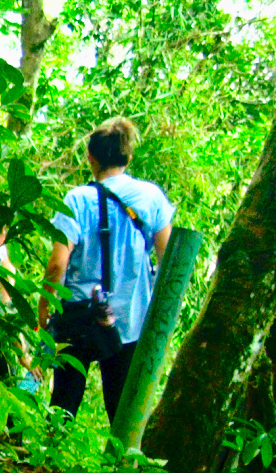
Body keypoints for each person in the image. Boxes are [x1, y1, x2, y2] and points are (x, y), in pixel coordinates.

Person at [36, 117, 174, 418]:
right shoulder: (152, 198)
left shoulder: (77, 199)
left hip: (78, 315)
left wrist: (44, 310)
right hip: (129, 319)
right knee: (121, 407)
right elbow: (170, 262)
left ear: (91, 158)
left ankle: (49, 458)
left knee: (63, 402)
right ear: (128, 156)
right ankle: (120, 463)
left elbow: (58, 263)